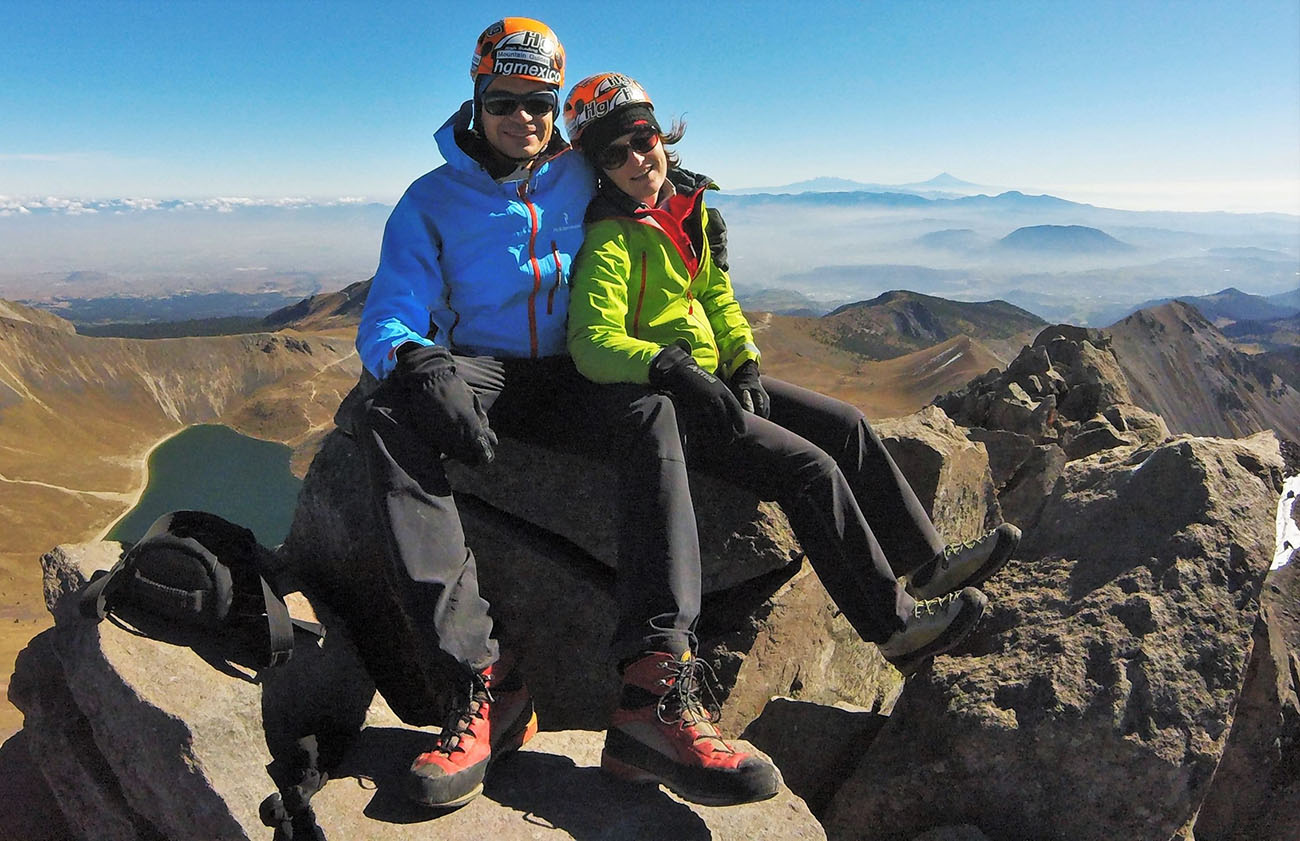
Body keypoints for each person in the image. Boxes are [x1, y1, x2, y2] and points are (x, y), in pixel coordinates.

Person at [562, 73, 1022, 806]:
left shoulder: (686, 207)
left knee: (846, 424)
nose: (635, 159)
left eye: (642, 139)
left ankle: (927, 564)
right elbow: (591, 342)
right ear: (595, 165)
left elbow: (715, 297)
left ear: (661, 135)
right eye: (613, 153)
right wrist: (671, 368)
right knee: (808, 468)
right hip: (674, 399)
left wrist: (743, 358)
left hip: (712, 376)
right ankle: (896, 626)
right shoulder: (612, 236)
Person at [351, 17, 597, 810]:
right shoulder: (430, 200)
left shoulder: (584, 172)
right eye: (506, 101)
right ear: (477, 97)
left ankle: (659, 683)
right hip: (485, 370)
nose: (525, 118)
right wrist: (418, 361)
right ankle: (482, 682)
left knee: (671, 416)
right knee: (389, 417)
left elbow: (654, 197)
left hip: (582, 366)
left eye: (542, 103)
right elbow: (388, 315)